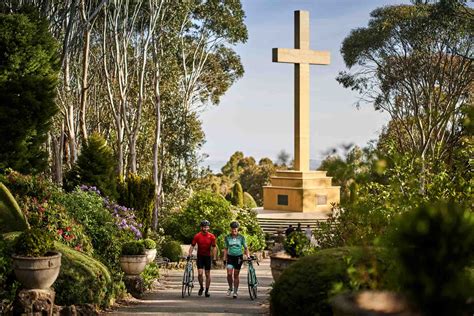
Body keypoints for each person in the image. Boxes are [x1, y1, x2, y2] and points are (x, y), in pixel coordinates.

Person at [188, 220, 216, 297]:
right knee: (200, 273)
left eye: (207, 227)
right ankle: (201, 287)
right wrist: (189, 254)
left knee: (207, 274)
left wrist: (214, 257)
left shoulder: (212, 236)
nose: (205, 228)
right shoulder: (197, 236)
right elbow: (192, 245)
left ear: (209, 228)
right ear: (201, 227)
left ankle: (207, 290)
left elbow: (214, 248)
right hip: (200, 256)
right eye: (204, 227)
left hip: (208, 257)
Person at [223, 221, 249, 299]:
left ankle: (235, 291)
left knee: (236, 275)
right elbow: (226, 248)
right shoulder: (227, 237)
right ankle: (230, 288)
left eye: (235, 230)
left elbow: (246, 248)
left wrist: (248, 256)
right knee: (229, 273)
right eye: (232, 230)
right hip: (230, 257)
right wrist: (224, 258)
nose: (234, 231)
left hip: (238, 257)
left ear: (237, 230)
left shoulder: (241, 237)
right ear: (230, 229)